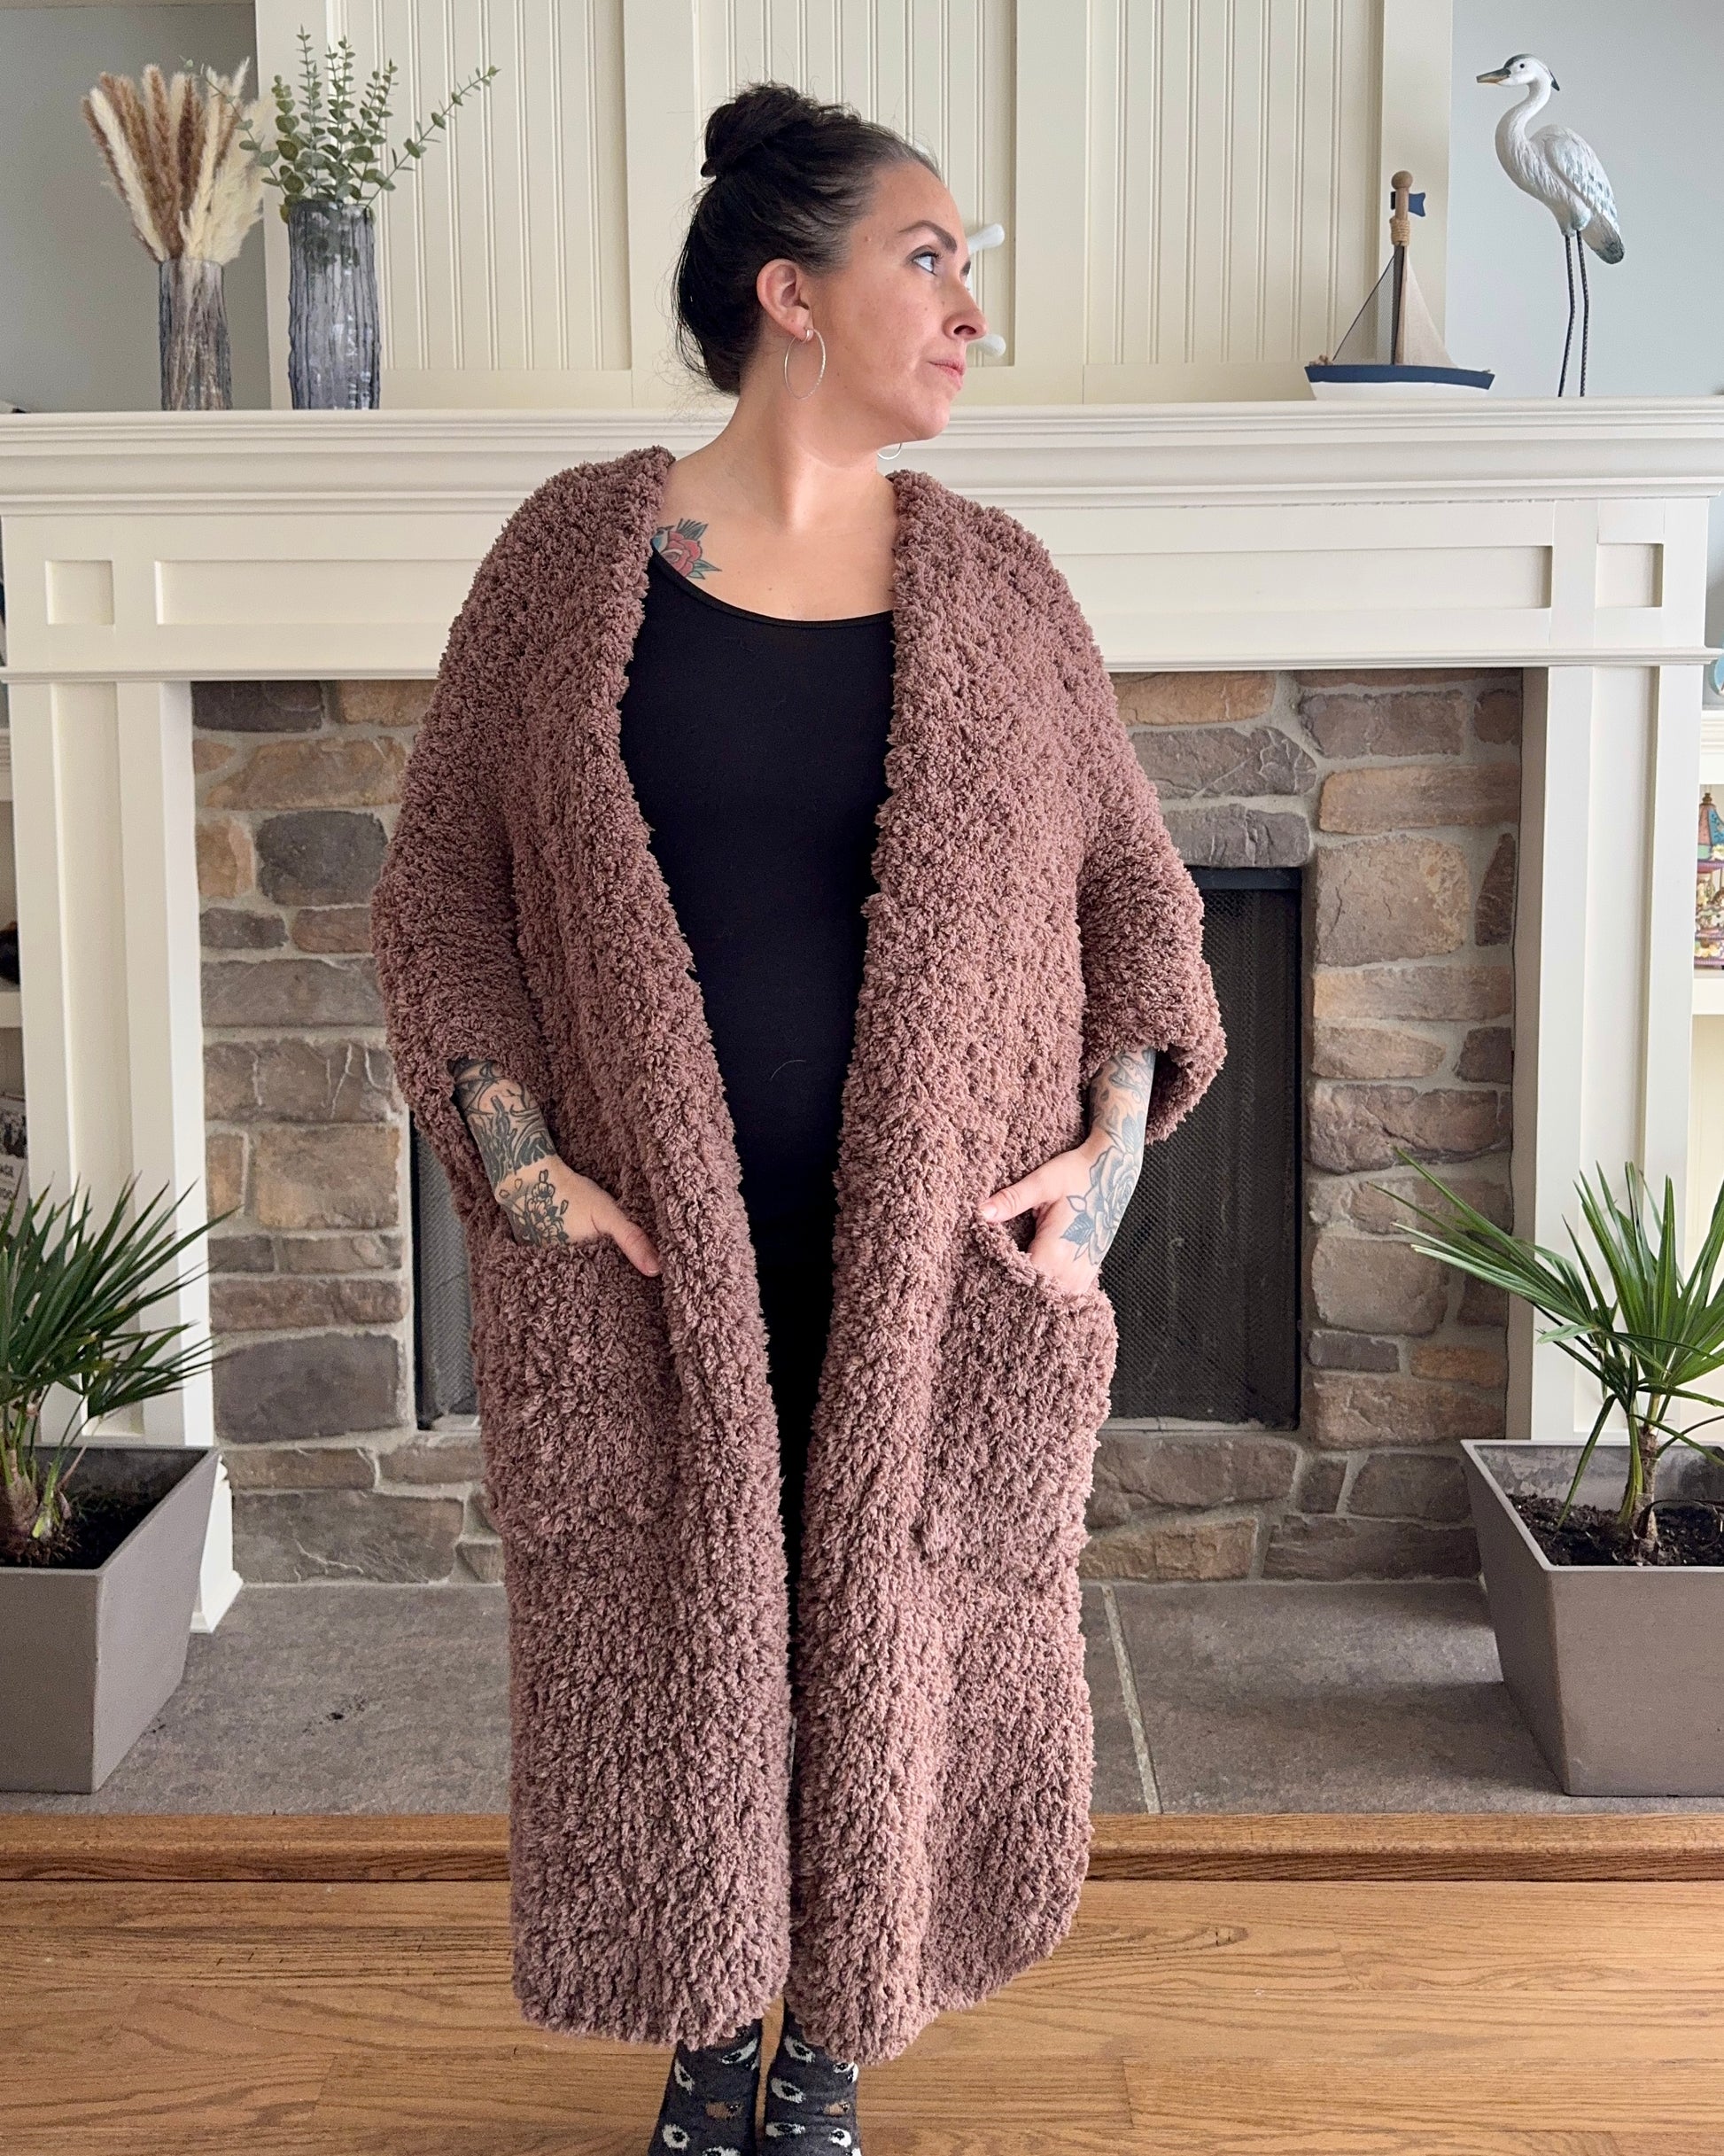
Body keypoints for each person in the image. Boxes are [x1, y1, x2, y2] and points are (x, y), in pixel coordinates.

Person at [371, 75, 1224, 2155]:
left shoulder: (1001, 591)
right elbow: (439, 896)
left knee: (890, 1631)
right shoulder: (571, 566)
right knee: (684, 1643)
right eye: (929, 261)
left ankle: (834, 2029)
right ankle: (701, 2022)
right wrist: (521, 1162)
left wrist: (1100, 1167)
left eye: (966, 272)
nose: (967, 313)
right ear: (790, 292)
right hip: (659, 1265)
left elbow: (1143, 901)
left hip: (929, 1267)